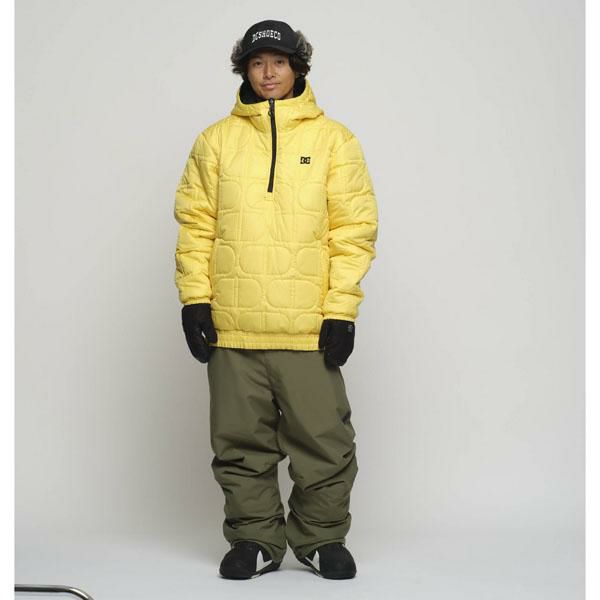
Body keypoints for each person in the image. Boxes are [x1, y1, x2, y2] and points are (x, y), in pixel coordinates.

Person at [173, 19, 378, 580]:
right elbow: (195, 226)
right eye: (258, 63)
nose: (268, 73)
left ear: (298, 68)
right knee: (240, 445)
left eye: (280, 62)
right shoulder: (215, 141)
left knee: (325, 443)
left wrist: (341, 311)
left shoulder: (334, 141)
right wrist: (195, 301)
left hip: (307, 327)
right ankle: (255, 539)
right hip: (233, 326)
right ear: (244, 69)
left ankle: (320, 538)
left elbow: (353, 231)